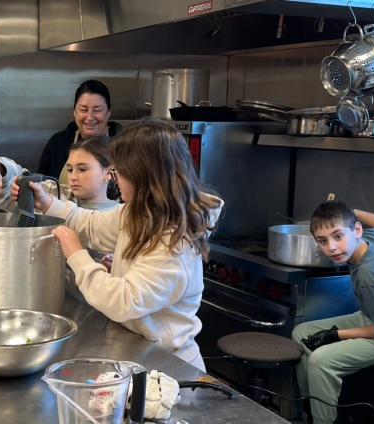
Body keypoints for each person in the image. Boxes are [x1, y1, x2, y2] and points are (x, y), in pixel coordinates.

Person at [15, 118, 223, 370]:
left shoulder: (174, 239)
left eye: (118, 172)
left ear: (141, 174)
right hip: (139, 351)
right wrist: (48, 203)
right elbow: (92, 225)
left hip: (169, 365)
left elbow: (124, 301)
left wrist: (76, 254)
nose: (115, 179)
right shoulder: (139, 212)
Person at [291, 201, 374, 424]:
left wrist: (335, 335)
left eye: (338, 236)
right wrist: (353, 212)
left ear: (357, 230)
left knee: (321, 360)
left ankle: (323, 421)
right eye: (322, 241)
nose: (331, 247)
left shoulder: (370, 275)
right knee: (301, 333)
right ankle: (306, 410)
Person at [0, 135, 119, 213]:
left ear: (108, 173)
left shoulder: (121, 215)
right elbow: (16, 180)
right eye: (70, 170)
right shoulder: (54, 194)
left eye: (82, 169)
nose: (73, 177)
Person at [36, 79, 122, 191]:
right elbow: (40, 185)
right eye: (83, 110)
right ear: (75, 112)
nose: (89, 117)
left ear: (108, 113)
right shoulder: (58, 143)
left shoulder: (124, 146)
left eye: (97, 110)